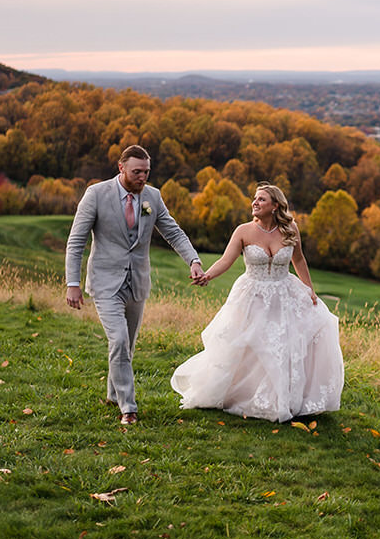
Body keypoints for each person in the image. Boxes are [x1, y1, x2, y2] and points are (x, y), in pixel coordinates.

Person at [172, 183, 344, 422]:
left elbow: (299, 260)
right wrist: (207, 275)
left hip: (284, 294)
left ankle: (282, 398)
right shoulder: (243, 231)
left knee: (285, 345)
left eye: (261, 199)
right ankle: (245, 393)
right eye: (254, 198)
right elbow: (227, 259)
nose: (255, 202)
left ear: (275, 206)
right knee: (251, 345)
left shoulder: (290, 228)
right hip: (252, 295)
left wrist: (310, 290)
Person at [65, 145, 206, 425]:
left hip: (137, 282)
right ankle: (128, 408)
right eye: (137, 172)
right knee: (117, 340)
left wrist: (194, 260)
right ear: (121, 168)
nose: (142, 177)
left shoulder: (152, 196)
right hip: (106, 282)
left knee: (125, 347)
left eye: (146, 172)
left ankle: (112, 394)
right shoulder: (96, 194)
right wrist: (72, 283)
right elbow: (76, 240)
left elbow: (173, 232)